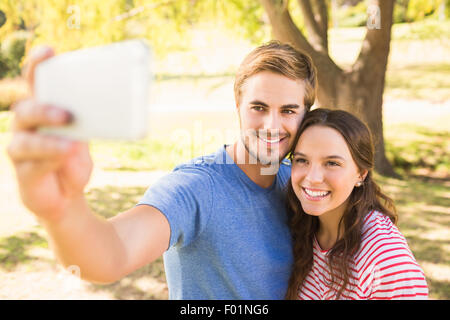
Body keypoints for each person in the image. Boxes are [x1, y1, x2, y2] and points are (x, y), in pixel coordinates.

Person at [6, 41, 317, 299]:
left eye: (288, 111)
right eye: (258, 107)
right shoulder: (195, 188)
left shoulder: (299, 185)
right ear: (238, 105)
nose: (272, 125)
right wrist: (64, 210)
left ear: (305, 115)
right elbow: (112, 254)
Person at [284, 108, 428, 300]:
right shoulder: (302, 225)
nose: (312, 177)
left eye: (332, 163)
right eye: (302, 160)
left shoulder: (384, 257)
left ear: (361, 173)